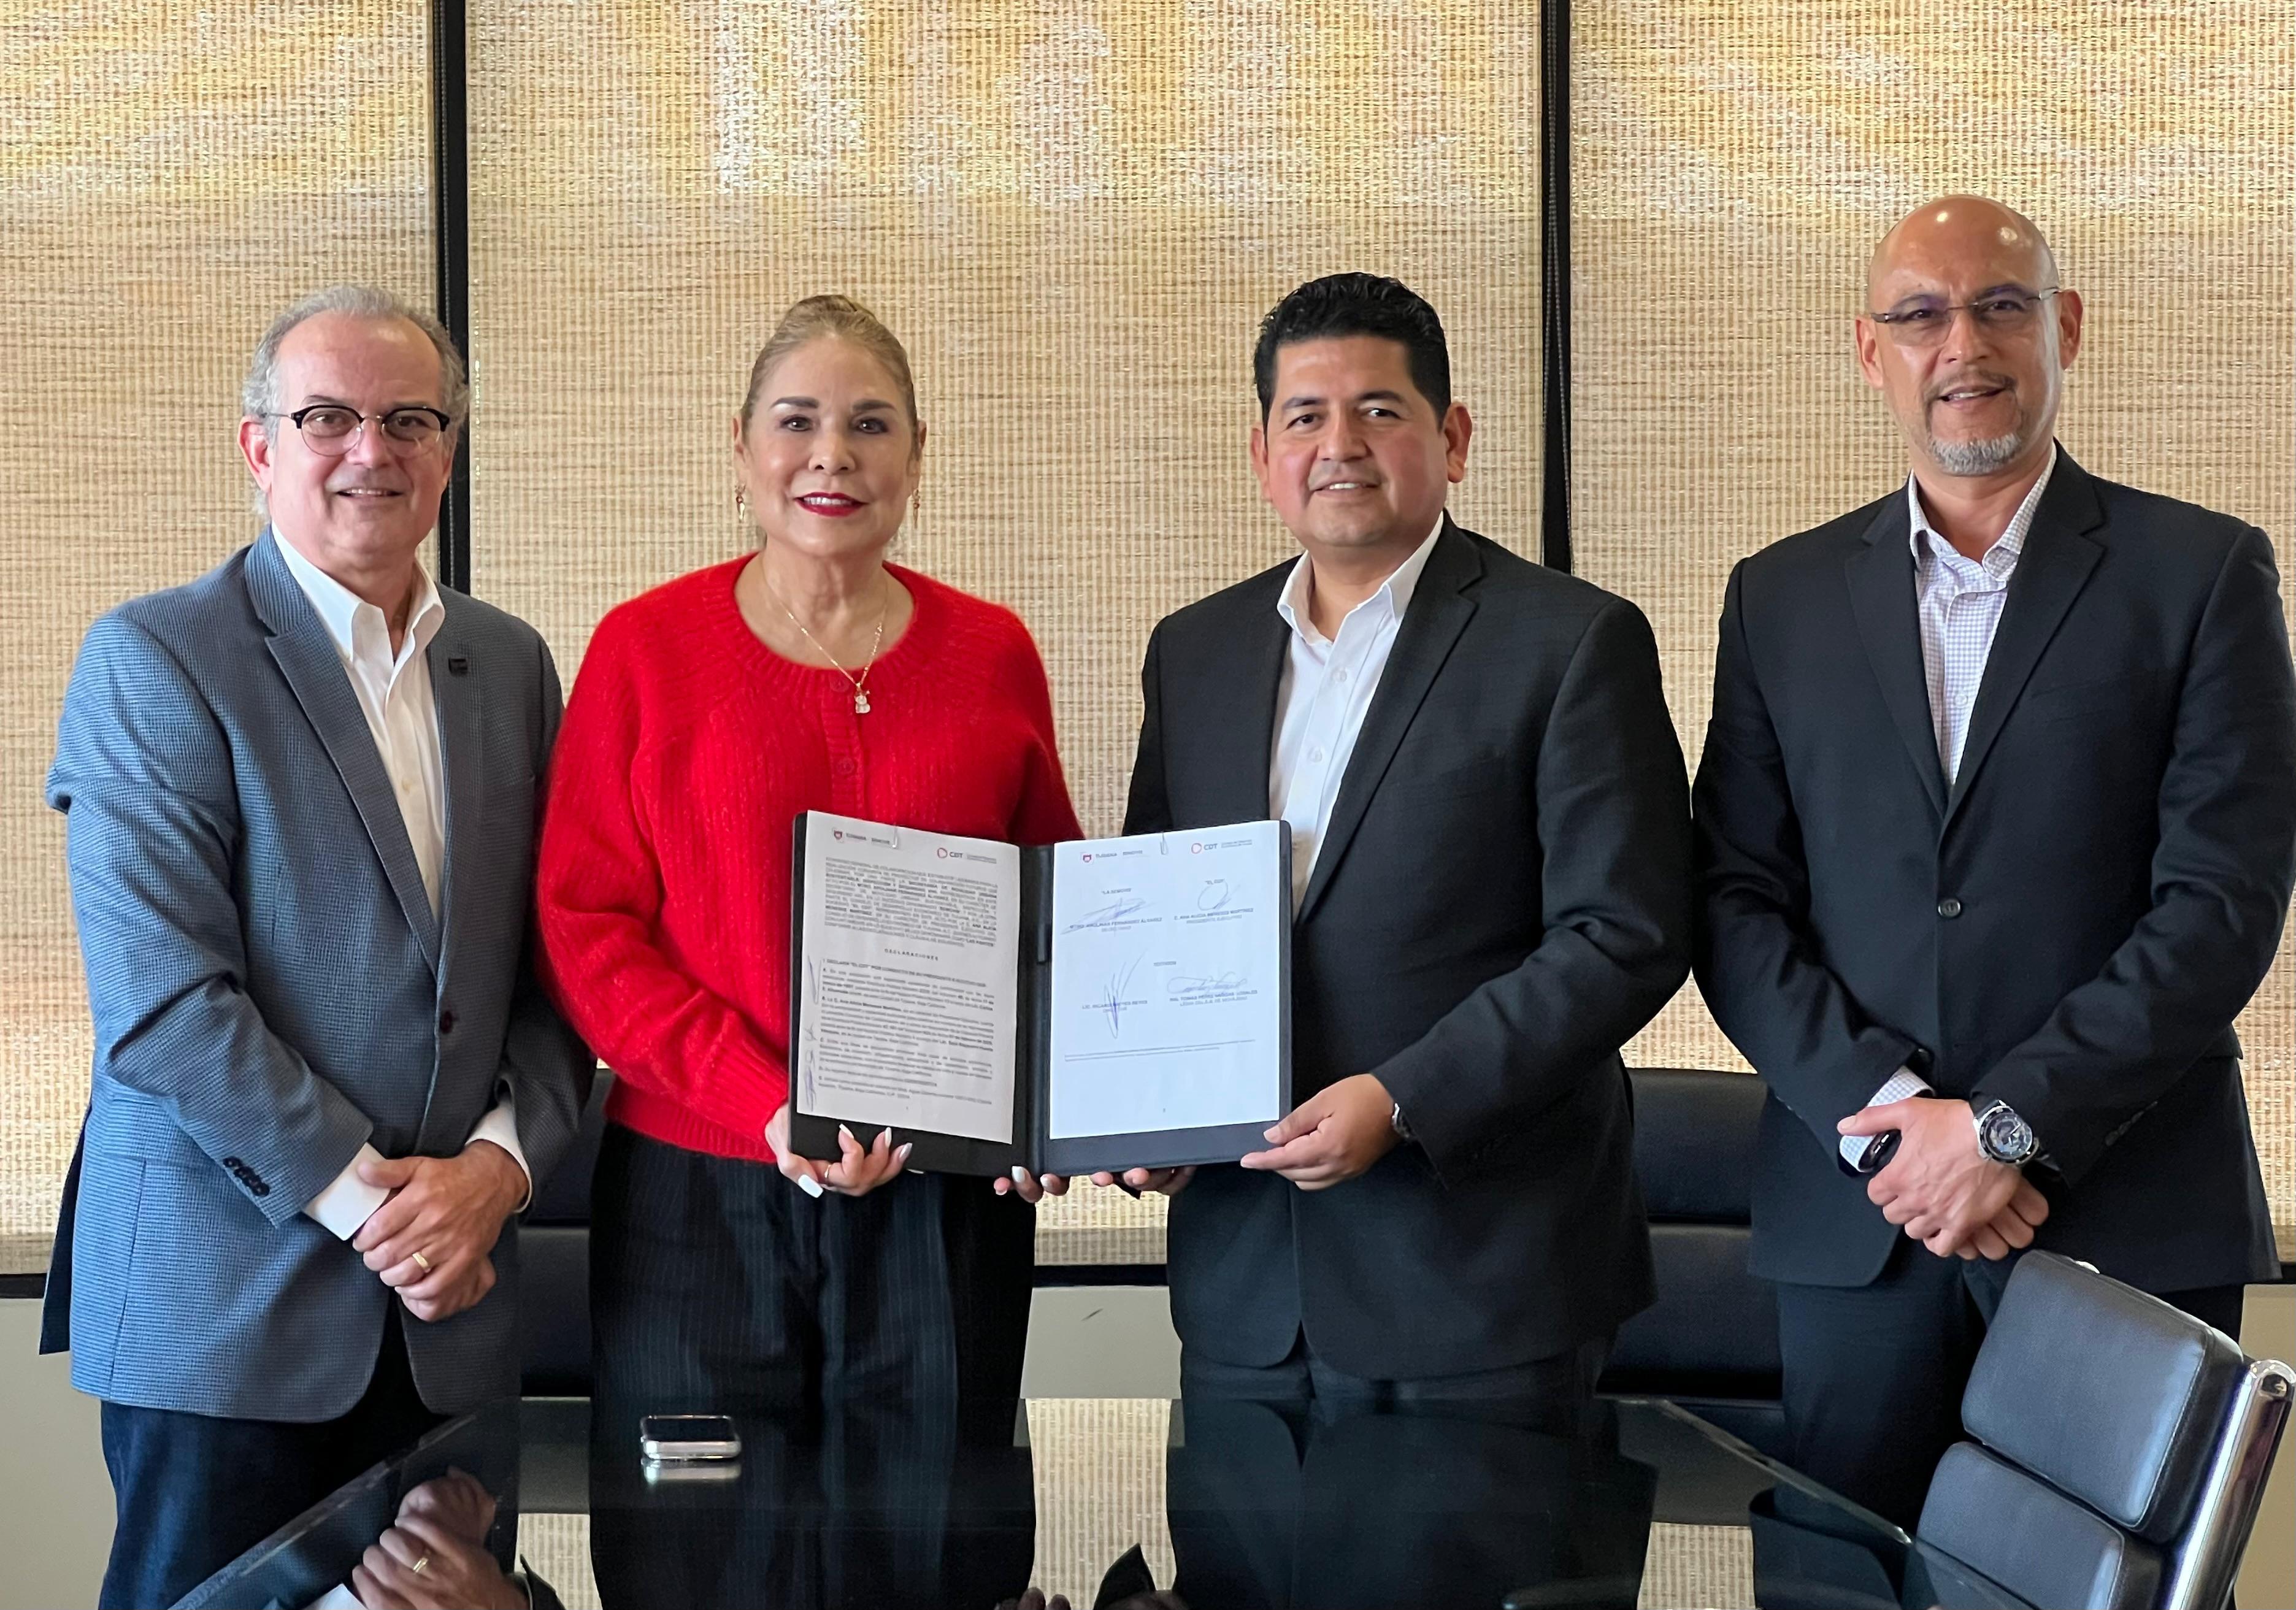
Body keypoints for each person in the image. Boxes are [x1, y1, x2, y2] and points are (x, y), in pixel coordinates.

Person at [1692, 196, 2295, 1526]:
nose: (1961, 343)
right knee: (1841, 1580)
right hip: (1860, 1227)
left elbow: (2222, 903)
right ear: (1872, 352)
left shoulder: (2201, 573)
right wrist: (1891, 1120)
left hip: (2128, 1222)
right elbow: (1732, 900)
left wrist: (2008, 1124)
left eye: (2001, 306)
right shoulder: (1778, 596)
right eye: (1920, 315)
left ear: (2065, 326)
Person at [42, 285, 593, 1608]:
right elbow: (166, 1006)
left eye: (410, 420)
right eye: (327, 417)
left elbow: (567, 965)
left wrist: (496, 1174)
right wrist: (382, 1213)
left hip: (454, 1318)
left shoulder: (512, 664)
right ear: (259, 447)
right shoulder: (156, 658)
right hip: (228, 1321)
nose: (371, 450)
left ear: (448, 452)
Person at [1110, 272, 1691, 1416]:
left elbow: (1625, 934)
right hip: (1244, 1285)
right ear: (1263, 453)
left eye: (1379, 410)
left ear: (1453, 438)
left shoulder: (1572, 641)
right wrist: (1148, 1117)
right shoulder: (1195, 652)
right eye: (1305, 416)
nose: (1340, 445)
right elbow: (1150, 910)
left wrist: (1404, 1096)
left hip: (1481, 1276)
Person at [536, 295, 1081, 1438]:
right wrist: (764, 1102)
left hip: (945, 1194)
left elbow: (1053, 923)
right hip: (697, 1189)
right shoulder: (644, 650)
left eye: (871, 425)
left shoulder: (994, 653)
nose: (833, 454)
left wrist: (1051, 1116)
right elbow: (586, 928)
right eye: (797, 421)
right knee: (698, 1522)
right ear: (742, 451)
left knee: (939, 1514)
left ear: (917, 457)